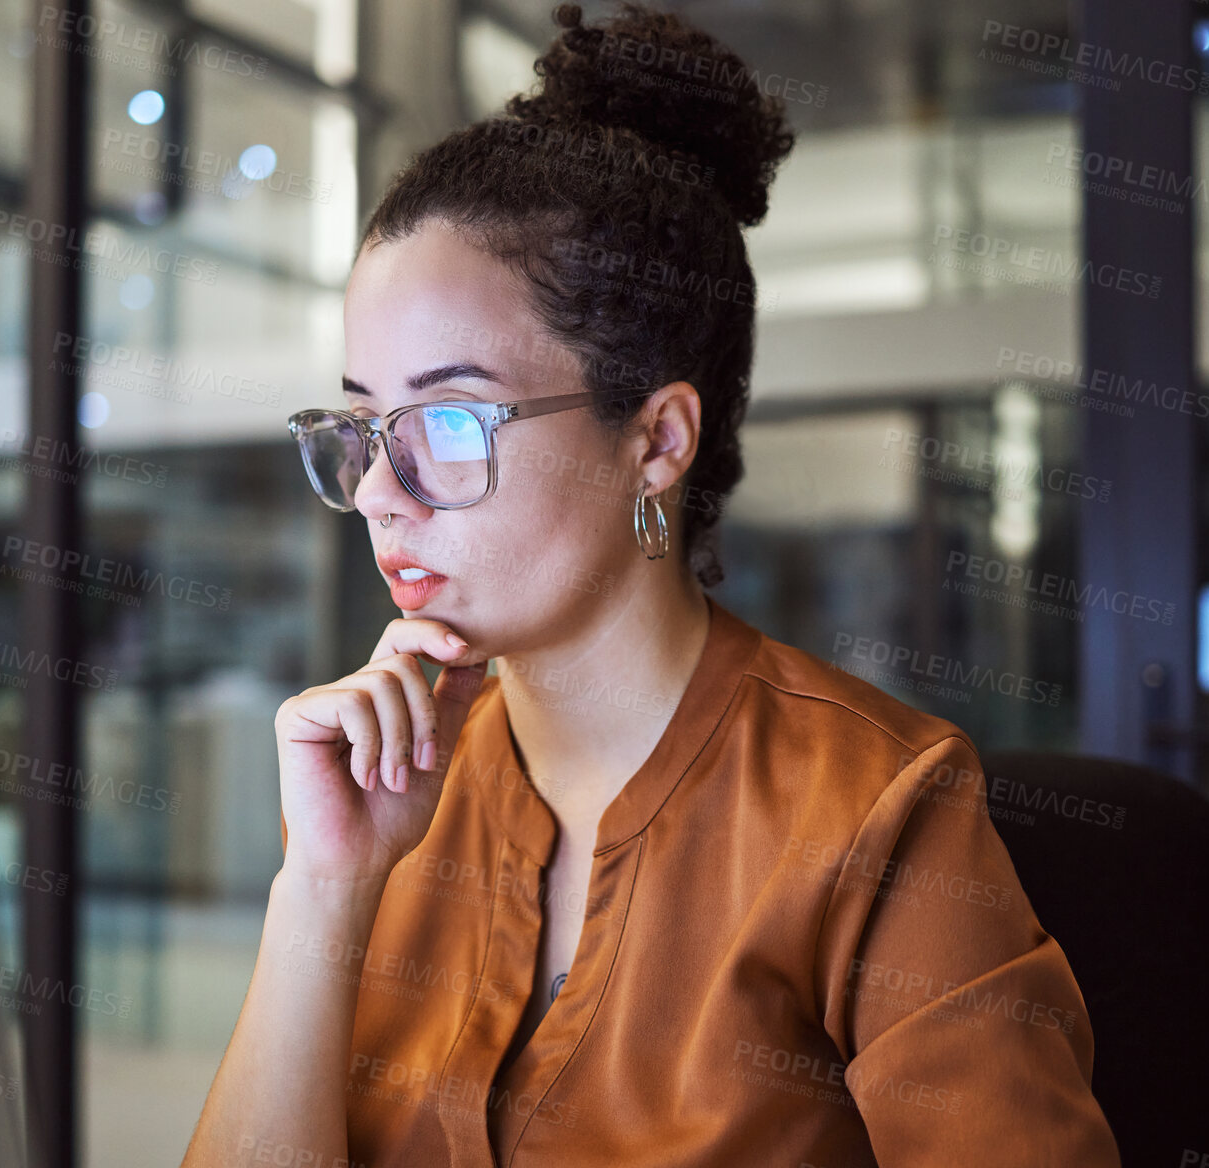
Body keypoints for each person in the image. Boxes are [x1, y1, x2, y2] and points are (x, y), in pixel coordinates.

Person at [182, 4, 1120, 1164]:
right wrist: (322, 883)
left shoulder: (874, 813)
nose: (379, 489)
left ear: (657, 440)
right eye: (363, 426)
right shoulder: (384, 790)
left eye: (444, 421)